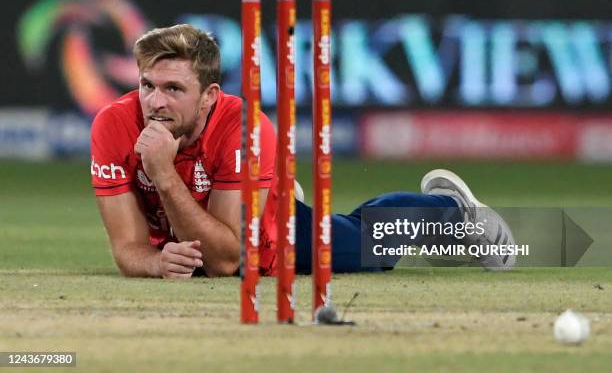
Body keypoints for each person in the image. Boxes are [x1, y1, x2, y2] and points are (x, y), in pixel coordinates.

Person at [91, 24, 515, 279]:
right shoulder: (114, 124)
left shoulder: (244, 127)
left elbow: (225, 262)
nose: (155, 102)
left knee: (372, 245)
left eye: (173, 89)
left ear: (209, 96)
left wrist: (163, 175)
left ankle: (452, 210)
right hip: (208, 228)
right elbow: (127, 247)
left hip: (266, 241)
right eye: (147, 85)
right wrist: (157, 263)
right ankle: (268, 191)